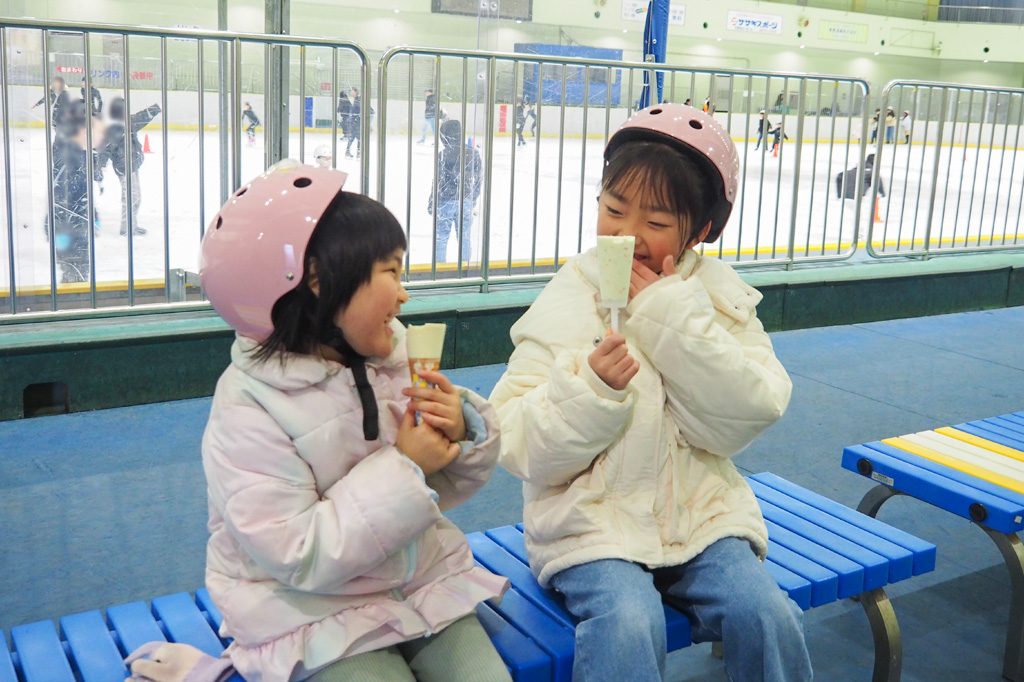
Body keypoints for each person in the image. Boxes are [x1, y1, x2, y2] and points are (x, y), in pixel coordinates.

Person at [489, 103, 811, 682]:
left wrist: (671, 319)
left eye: (657, 221)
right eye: (614, 209)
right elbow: (514, 441)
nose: (627, 233)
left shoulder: (719, 299)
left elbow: (747, 412)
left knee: (766, 613)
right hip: (591, 525)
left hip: (700, 520)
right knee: (629, 622)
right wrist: (589, 391)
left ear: (701, 231)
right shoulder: (570, 297)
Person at [196, 160, 511, 682]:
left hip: (418, 584)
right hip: (307, 612)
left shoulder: (388, 355)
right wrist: (406, 466)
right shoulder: (248, 407)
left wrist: (461, 431)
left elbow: (445, 490)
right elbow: (297, 552)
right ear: (319, 282)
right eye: (390, 271)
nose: (404, 293)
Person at [50, 101, 101, 282]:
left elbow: (82, 190)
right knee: (74, 270)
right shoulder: (69, 153)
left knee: (78, 270)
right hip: (70, 225)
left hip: (76, 224)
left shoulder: (79, 150)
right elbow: (63, 192)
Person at [97, 96, 161, 236]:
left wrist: (155, 108)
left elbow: (141, 117)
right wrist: (99, 168)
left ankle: (131, 225)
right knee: (131, 198)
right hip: (124, 168)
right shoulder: (114, 128)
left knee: (135, 197)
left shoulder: (126, 122)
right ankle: (126, 228)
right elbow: (104, 150)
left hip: (132, 166)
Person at [428, 119, 482, 264]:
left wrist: (432, 200)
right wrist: (473, 197)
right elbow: (478, 179)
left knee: (441, 238)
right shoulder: (473, 153)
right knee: (464, 237)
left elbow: (437, 180)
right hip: (465, 200)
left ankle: (439, 270)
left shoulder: (443, 155)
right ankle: (465, 267)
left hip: (445, 201)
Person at [346, 87, 362, 158]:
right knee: (356, 138)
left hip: (355, 121)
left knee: (356, 138)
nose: (351, 93)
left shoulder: (358, 100)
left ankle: (355, 152)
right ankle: (356, 152)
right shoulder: (357, 100)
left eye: (352, 91)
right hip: (354, 122)